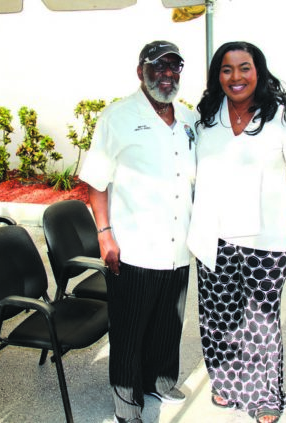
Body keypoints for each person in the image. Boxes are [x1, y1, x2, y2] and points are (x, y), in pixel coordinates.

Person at [187, 41, 286, 423]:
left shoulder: (284, 117)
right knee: (218, 316)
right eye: (227, 69)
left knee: (260, 319)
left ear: (258, 70)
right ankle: (225, 383)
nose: (236, 77)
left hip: (267, 238)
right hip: (215, 236)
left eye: (245, 68)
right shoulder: (206, 115)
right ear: (217, 76)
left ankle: (264, 396)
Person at [79, 40, 197, 423]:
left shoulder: (188, 119)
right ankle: (126, 404)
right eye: (158, 66)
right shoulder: (117, 116)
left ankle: (159, 382)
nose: (167, 73)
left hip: (179, 244)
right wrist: (105, 233)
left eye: (173, 66)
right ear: (140, 71)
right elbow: (96, 182)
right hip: (134, 245)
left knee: (168, 321)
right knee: (129, 330)